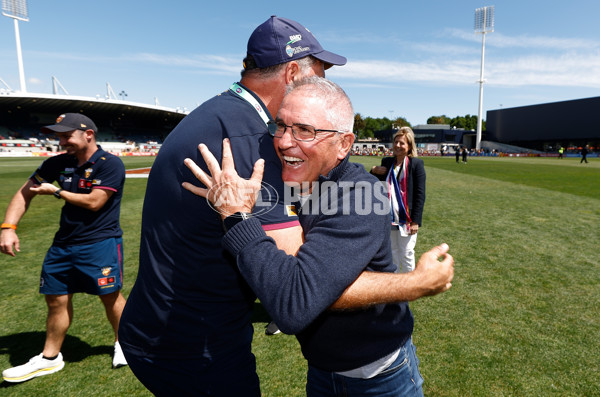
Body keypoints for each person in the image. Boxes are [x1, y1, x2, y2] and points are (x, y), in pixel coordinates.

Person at [117, 16, 347, 396]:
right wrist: (412, 285)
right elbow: (296, 282)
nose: (325, 87)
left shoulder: (226, 115)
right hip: (194, 347)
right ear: (292, 73)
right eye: (318, 74)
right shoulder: (249, 139)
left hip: (164, 328)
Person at [183, 77, 454, 396]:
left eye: (304, 130)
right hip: (323, 371)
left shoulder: (360, 197)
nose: (284, 141)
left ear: (343, 144)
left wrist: (237, 217)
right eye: (280, 126)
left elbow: (295, 303)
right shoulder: (301, 184)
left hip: (379, 379)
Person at [1, 113, 127, 383]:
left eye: (66, 135)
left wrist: (57, 192)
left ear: (88, 135)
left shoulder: (110, 164)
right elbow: (25, 192)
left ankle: (124, 343)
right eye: (58, 136)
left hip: (100, 243)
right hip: (63, 244)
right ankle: (50, 358)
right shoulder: (57, 163)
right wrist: (8, 228)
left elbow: (95, 202)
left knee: (110, 297)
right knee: (55, 299)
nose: (60, 141)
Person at [370, 127, 426, 273]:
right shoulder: (387, 162)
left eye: (402, 143)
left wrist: (416, 221)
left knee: (407, 253)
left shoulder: (416, 164)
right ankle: (394, 287)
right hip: (388, 217)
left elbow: (420, 194)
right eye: (396, 142)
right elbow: (375, 184)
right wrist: (373, 171)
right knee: (392, 252)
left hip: (407, 218)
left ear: (409, 146)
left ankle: (408, 287)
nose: (398, 146)